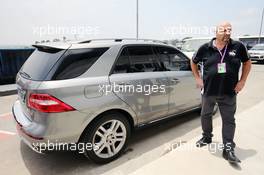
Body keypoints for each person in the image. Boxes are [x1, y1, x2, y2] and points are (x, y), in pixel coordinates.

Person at [191, 22, 251, 163]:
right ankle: (207, 137)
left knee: (229, 120)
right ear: (216, 32)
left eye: (229, 30)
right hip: (208, 91)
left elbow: (247, 63)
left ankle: (228, 148)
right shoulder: (205, 48)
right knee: (206, 115)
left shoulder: (238, 47)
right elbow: (193, 62)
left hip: (229, 92)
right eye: (223, 30)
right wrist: (198, 78)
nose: (227, 32)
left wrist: (242, 81)